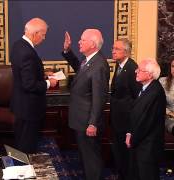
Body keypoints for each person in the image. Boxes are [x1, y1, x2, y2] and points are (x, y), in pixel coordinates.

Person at [62, 30, 110, 180]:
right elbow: (80, 69)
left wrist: (93, 123)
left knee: (91, 159)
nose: (79, 42)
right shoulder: (89, 60)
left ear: (93, 44)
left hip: (88, 121)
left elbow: (99, 97)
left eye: (82, 40)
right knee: (86, 156)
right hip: (81, 119)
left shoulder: (99, 65)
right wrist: (67, 51)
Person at [10, 17, 58, 154]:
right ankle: (25, 172)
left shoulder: (17, 45)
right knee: (26, 146)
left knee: (21, 142)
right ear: (35, 33)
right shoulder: (28, 53)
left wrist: (41, 74)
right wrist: (49, 82)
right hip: (29, 108)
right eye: (43, 35)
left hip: (20, 105)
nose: (43, 38)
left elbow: (24, 74)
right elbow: (29, 85)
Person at [125, 58, 166, 180]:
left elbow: (146, 122)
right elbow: (135, 114)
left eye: (140, 70)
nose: (136, 71)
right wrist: (129, 132)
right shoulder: (145, 88)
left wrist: (132, 139)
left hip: (148, 145)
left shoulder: (155, 92)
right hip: (140, 141)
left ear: (149, 75)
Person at [110, 39, 141, 179]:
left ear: (126, 52)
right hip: (118, 116)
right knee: (119, 148)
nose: (113, 51)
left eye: (117, 49)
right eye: (113, 48)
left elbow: (137, 96)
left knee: (126, 150)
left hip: (127, 118)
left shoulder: (132, 68)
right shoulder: (120, 65)